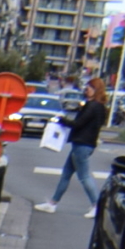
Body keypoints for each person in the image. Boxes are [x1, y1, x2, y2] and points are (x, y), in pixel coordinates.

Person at [36, 77, 110, 217]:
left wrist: (62, 120)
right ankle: (52, 203)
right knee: (66, 174)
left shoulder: (92, 106)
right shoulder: (100, 107)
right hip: (86, 144)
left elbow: (78, 123)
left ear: (96, 90)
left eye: (89, 88)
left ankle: (96, 205)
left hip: (82, 144)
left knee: (84, 176)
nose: (86, 90)